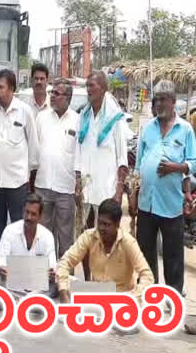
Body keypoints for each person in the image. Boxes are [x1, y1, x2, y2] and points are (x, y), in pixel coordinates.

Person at [133, 80, 196, 294]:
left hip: (171, 205)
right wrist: (133, 193)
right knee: (145, 253)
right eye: (156, 99)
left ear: (173, 102)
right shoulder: (148, 128)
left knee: (173, 257)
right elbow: (138, 165)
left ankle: (173, 299)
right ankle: (150, 296)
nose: (158, 104)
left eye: (162, 100)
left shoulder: (185, 129)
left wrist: (175, 168)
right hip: (146, 203)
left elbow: (193, 163)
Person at [0, 68, 38, 261]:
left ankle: (19, 271)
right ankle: (0, 268)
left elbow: (33, 148)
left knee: (19, 227)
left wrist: (28, 179)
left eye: (1, 87)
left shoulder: (24, 112)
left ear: (12, 89)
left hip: (17, 183)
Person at [57, 199, 154, 301]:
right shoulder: (88, 236)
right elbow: (65, 262)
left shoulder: (128, 242)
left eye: (106, 224)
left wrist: (133, 296)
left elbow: (147, 276)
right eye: (99, 223)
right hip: (97, 293)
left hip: (121, 298)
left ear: (117, 224)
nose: (101, 228)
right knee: (63, 280)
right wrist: (63, 293)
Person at [75, 70, 129, 229]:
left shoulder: (116, 118)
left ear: (104, 88)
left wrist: (119, 192)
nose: (88, 90)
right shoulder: (83, 116)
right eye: (87, 86)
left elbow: (122, 159)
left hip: (106, 193)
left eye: (92, 86)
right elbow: (78, 153)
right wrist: (78, 183)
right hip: (86, 193)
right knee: (84, 237)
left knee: (106, 240)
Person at [34, 78, 79, 257]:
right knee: (44, 236)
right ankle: (44, 277)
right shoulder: (41, 117)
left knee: (66, 237)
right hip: (43, 185)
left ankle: (64, 278)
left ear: (68, 98)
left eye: (57, 94)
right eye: (51, 92)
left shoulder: (77, 120)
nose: (52, 96)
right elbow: (34, 150)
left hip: (66, 189)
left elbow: (79, 155)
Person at [0, 193, 57, 288]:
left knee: (58, 283)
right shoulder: (10, 230)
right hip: (13, 283)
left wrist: (51, 272)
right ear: (23, 211)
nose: (29, 217)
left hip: (38, 285)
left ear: (40, 217)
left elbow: (52, 264)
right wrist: (2, 268)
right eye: (27, 212)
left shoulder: (47, 236)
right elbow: (0, 260)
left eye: (33, 214)